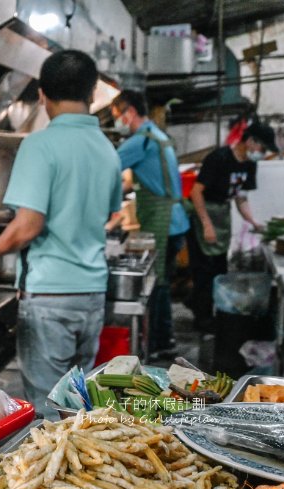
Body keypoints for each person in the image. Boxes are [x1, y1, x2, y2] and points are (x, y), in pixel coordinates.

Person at [0, 50, 121, 416]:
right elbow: (108, 213)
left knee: (50, 408)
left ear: (42, 95)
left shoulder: (40, 144)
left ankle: (59, 472)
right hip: (91, 294)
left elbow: (29, 224)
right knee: (79, 402)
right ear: (92, 93)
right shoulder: (107, 149)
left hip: (50, 298)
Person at [111, 90, 189, 360]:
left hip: (164, 220)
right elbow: (132, 179)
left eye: (117, 115)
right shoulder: (157, 134)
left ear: (129, 112)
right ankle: (163, 341)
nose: (118, 121)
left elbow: (105, 168)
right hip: (175, 219)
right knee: (161, 284)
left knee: (157, 285)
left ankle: (159, 344)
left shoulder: (140, 140)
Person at [186, 122, 277, 333]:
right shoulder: (219, 158)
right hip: (203, 215)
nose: (262, 154)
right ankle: (202, 320)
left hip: (222, 216)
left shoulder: (249, 165)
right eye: (262, 148)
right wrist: (207, 225)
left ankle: (204, 309)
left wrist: (253, 222)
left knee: (219, 270)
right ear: (250, 141)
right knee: (203, 272)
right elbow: (196, 193)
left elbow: (241, 198)